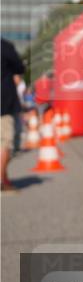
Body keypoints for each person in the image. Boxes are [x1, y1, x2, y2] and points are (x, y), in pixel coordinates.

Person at [1, 38, 26, 191]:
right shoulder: (4, 46)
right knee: (5, 141)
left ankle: (4, 178)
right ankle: (1, 182)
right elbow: (19, 67)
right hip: (3, 102)